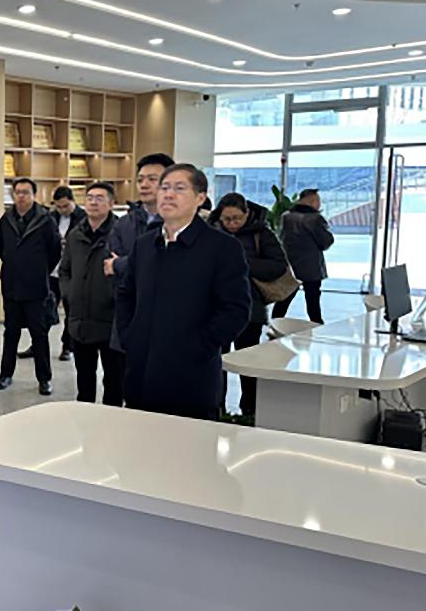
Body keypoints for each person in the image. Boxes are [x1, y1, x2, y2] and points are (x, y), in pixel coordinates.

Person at [116, 164, 251, 420]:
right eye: (164, 188)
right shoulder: (145, 245)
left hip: (191, 377)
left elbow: (236, 309)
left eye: (179, 188)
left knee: (189, 442)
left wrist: (200, 346)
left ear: (200, 198)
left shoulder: (222, 247)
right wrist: (129, 336)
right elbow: (126, 294)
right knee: (138, 437)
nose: (168, 194)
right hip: (141, 371)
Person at [208, 193, 289, 417]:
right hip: (214, 308)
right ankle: (217, 407)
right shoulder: (210, 231)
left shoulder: (261, 233)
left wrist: (242, 262)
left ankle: (250, 409)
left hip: (250, 307)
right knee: (216, 362)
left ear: (247, 214)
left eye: (237, 218)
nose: (232, 223)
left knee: (248, 361)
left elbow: (278, 266)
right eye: (227, 219)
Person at [0, 178, 62, 395]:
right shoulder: (6, 219)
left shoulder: (46, 220)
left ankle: (44, 378)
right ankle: (5, 374)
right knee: (11, 333)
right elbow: (1, 248)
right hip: (12, 285)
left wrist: (38, 269)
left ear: (34, 195)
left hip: (36, 287)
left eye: (26, 192)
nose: (21, 196)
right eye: (18, 192)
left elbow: (54, 252)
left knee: (39, 334)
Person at [59, 181, 123, 406]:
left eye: (99, 198)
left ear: (111, 203)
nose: (93, 202)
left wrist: (112, 295)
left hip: (111, 320)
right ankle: (85, 422)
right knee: (84, 379)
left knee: (114, 380)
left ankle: (111, 422)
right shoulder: (75, 235)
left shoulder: (120, 234)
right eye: (89, 198)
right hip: (80, 319)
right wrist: (69, 294)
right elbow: (65, 270)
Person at [18, 186, 84, 362]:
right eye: (58, 206)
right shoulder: (49, 217)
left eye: (65, 206)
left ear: (73, 201)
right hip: (51, 271)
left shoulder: (83, 218)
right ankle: (37, 345)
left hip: (72, 273)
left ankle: (68, 346)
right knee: (43, 311)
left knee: (71, 312)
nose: (62, 210)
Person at [103, 153, 173, 281]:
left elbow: (168, 267)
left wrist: (122, 264)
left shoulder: (177, 223)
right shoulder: (123, 224)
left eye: (152, 179)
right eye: (140, 180)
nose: (144, 185)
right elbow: (110, 267)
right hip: (127, 292)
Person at [271, 189, 334, 324]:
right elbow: (326, 242)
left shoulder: (286, 216)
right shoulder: (315, 219)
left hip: (290, 264)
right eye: (318, 201)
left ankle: (275, 324)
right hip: (311, 266)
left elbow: (281, 238)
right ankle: (316, 324)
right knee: (313, 299)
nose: (319, 204)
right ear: (312, 201)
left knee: (285, 297)